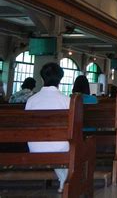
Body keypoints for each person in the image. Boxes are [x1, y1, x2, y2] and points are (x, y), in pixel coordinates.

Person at [25, 63, 69, 193]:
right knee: (76, 142)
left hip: (35, 147)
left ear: (42, 78)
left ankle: (63, 179)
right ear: (60, 79)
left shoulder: (31, 100)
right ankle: (65, 180)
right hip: (60, 147)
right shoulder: (66, 100)